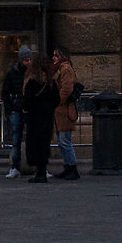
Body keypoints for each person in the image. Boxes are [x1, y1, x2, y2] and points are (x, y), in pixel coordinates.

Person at [22, 50, 59, 183]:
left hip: (34, 116)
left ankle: (39, 172)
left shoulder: (31, 81)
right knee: (44, 143)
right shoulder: (50, 82)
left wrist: (28, 109)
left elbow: (27, 100)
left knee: (35, 143)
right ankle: (42, 171)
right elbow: (57, 99)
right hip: (47, 116)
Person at [50, 47, 81, 180]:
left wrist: (57, 102)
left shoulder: (65, 68)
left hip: (64, 110)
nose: (53, 58)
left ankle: (72, 167)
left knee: (64, 140)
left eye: (55, 55)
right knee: (62, 141)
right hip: (60, 111)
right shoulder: (59, 68)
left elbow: (66, 89)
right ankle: (68, 167)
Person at [2, 43, 31, 178]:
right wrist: (10, 109)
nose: (29, 62)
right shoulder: (13, 74)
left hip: (29, 109)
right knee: (16, 140)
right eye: (26, 60)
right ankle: (15, 166)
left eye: (30, 60)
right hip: (18, 109)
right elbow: (5, 92)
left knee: (32, 139)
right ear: (21, 60)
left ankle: (37, 166)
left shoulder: (32, 73)